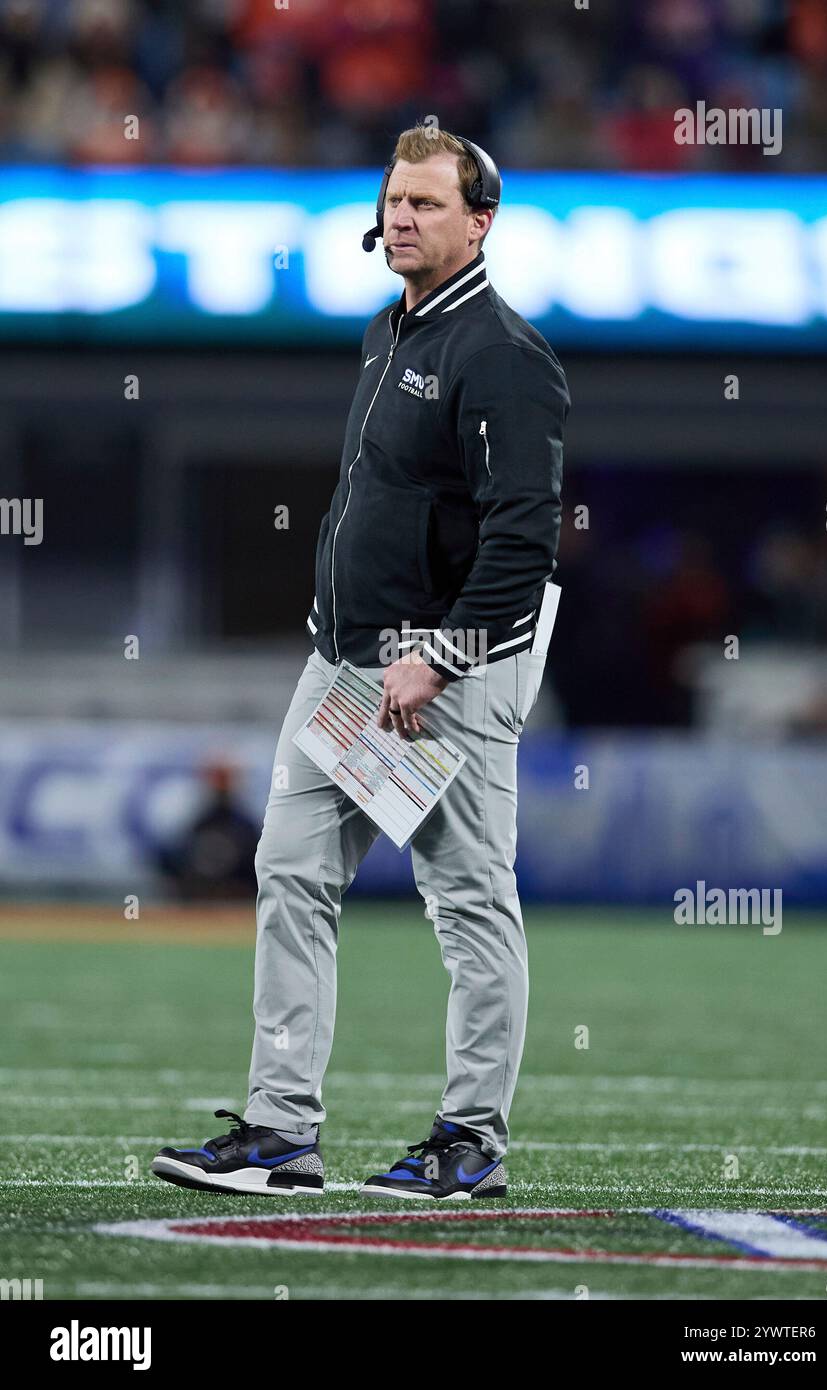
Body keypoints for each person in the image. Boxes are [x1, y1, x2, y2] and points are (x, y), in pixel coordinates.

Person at [152, 124, 570, 1200]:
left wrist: (441, 652)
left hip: (443, 680)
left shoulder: (504, 357)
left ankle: (469, 1137)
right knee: (287, 873)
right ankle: (280, 1130)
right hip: (342, 667)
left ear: (480, 222)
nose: (401, 217)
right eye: (393, 199)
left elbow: (524, 540)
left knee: (469, 902)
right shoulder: (388, 332)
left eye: (427, 204)